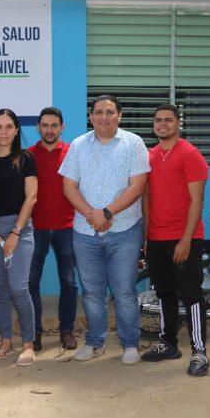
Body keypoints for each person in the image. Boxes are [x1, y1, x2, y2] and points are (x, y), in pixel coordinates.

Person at [59, 95, 150, 365]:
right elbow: (69, 186)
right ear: (91, 117)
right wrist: (92, 215)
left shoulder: (133, 143)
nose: (104, 117)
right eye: (98, 112)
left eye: (110, 112)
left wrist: (107, 213)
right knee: (92, 292)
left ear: (119, 116)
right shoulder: (78, 145)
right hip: (85, 232)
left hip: (124, 230)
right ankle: (95, 342)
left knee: (123, 291)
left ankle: (130, 344)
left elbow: (138, 186)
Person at [140, 103, 210, 376]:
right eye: (158, 120)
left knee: (191, 295)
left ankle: (200, 352)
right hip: (156, 238)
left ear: (178, 123)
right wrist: (147, 236)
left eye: (168, 120)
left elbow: (197, 200)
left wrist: (186, 240)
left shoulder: (190, 155)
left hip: (184, 237)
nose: (162, 125)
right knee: (164, 293)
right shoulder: (150, 156)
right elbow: (147, 198)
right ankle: (169, 343)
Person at [0, 109, 38, 366]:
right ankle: (6, 339)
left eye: (8, 126)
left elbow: (32, 197)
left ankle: (28, 343)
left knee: (18, 287)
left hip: (20, 228)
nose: (3, 132)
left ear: (16, 130)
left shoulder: (26, 159)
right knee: (0, 288)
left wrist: (16, 231)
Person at [27, 107, 79, 352]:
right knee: (31, 281)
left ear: (62, 127)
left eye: (54, 125)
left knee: (69, 281)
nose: (49, 129)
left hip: (67, 227)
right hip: (35, 227)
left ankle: (66, 330)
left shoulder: (73, 153)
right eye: (45, 125)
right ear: (39, 127)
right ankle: (34, 332)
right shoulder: (28, 155)